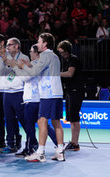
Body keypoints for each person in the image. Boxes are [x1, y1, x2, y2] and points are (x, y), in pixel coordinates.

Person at [13, 33, 65, 162]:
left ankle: (40, 152)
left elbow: (33, 73)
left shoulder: (45, 55)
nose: (37, 43)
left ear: (45, 44)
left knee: (42, 121)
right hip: (57, 92)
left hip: (48, 93)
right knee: (56, 122)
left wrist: (21, 66)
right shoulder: (54, 56)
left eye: (39, 41)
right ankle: (60, 152)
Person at [0, 38, 30, 154]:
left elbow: (25, 75)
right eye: (7, 45)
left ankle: (31, 143)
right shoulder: (6, 59)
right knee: (9, 120)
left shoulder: (24, 58)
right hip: (7, 92)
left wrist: (13, 65)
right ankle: (11, 144)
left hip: (19, 92)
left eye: (9, 45)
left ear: (17, 46)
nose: (7, 47)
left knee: (23, 119)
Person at [58, 40, 83, 151]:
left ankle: (75, 143)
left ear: (67, 50)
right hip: (69, 91)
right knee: (71, 118)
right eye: (60, 52)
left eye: (63, 52)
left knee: (74, 117)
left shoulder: (73, 59)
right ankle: (73, 142)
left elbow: (69, 73)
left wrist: (55, 74)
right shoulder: (66, 60)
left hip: (76, 91)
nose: (62, 54)